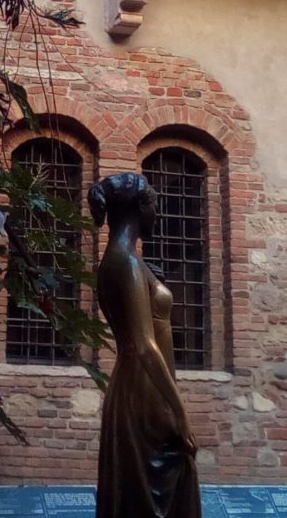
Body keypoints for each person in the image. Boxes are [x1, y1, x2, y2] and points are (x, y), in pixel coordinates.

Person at [88, 173, 200, 518]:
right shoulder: (127, 263)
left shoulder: (126, 262)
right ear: (140, 206)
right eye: (154, 204)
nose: (158, 214)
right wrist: (181, 414)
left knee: (155, 491)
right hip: (145, 393)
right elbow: (144, 345)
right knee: (161, 488)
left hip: (142, 389)